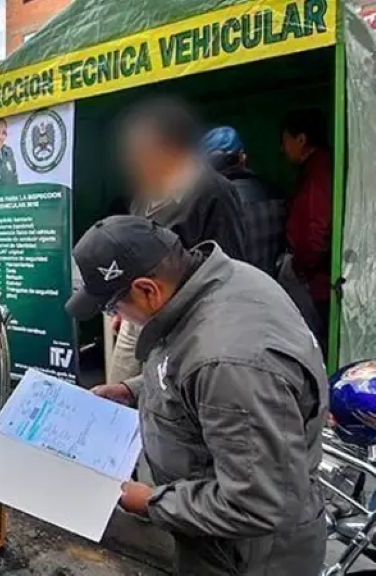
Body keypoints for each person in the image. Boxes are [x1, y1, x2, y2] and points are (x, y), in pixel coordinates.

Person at [68, 215, 328, 576]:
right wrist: (133, 390)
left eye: (113, 306)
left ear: (147, 290)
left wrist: (151, 503)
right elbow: (186, 367)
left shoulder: (229, 362)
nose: (115, 317)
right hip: (220, 538)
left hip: (248, 557)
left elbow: (260, 502)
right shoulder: (221, 281)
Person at [109, 97, 246, 384]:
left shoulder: (214, 191)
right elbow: (132, 253)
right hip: (138, 311)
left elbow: (229, 265)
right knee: (119, 389)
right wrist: (123, 306)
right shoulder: (143, 196)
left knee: (168, 391)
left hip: (184, 317)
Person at [201, 126, 286, 277]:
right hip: (274, 288)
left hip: (237, 291)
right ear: (242, 158)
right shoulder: (275, 192)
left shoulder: (215, 204)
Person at [281, 108, 333, 342]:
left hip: (315, 281)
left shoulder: (318, 173)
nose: (282, 149)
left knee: (312, 340)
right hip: (315, 276)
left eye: (286, 141)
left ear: (301, 140)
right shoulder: (317, 169)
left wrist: (300, 266)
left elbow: (316, 231)